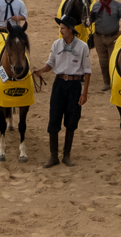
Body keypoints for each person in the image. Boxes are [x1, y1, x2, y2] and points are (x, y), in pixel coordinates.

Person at [34, 20, 92, 168]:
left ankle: (67, 155)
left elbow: (87, 71)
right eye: (60, 28)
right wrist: (41, 70)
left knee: (72, 119)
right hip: (59, 84)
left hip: (74, 85)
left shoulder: (83, 46)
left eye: (63, 28)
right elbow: (50, 63)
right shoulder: (56, 44)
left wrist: (84, 93)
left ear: (71, 29)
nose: (61, 31)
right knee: (54, 117)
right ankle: (53, 156)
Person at [89, 0, 121, 83]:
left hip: (113, 37)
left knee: (113, 60)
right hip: (98, 37)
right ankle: (106, 81)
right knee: (103, 61)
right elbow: (90, 21)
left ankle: (114, 81)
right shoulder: (95, 6)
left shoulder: (117, 5)